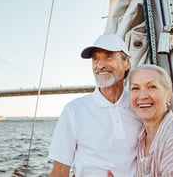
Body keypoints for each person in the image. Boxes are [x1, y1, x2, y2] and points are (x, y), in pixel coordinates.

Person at [49, 34, 142, 177]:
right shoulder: (74, 110)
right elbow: (60, 170)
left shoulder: (140, 106)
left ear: (127, 63)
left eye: (108, 56)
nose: (100, 65)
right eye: (95, 59)